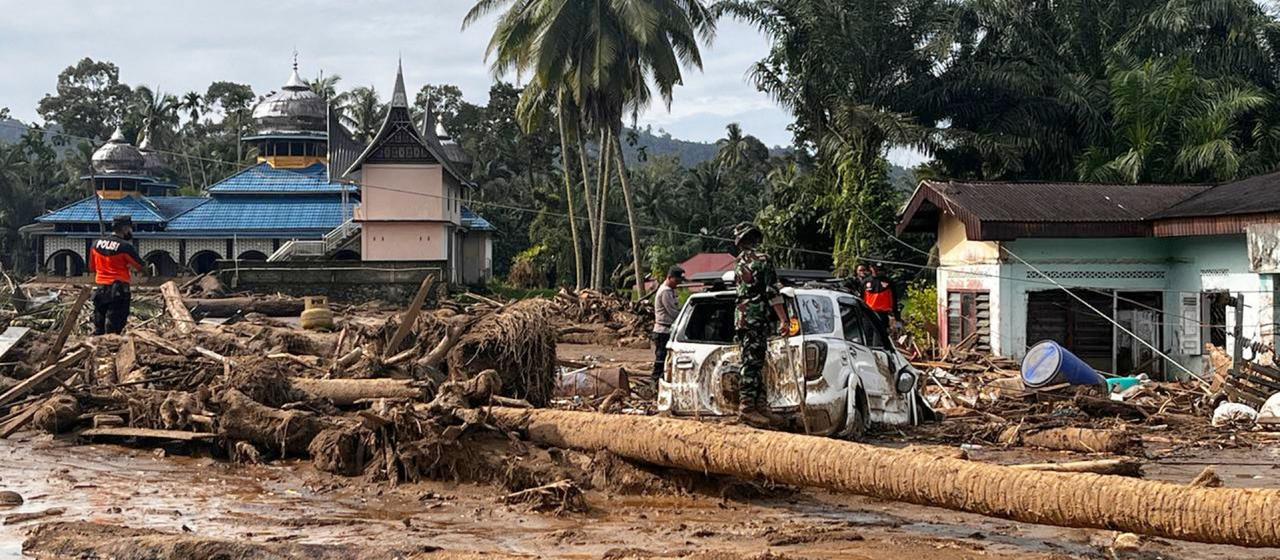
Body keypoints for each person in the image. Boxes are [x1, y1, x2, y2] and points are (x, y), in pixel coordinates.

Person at [732, 222, 789, 427]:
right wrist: (783, 318)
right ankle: (747, 407)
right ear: (755, 238)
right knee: (752, 363)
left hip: (743, 317)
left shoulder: (738, 262)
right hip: (756, 317)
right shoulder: (763, 260)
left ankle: (759, 405)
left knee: (756, 361)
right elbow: (772, 291)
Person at [89, 215, 145, 335]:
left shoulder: (96, 244)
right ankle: (112, 350)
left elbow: (92, 267)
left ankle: (98, 348)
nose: (131, 232)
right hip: (119, 291)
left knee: (99, 324)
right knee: (115, 325)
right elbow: (140, 266)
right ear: (125, 228)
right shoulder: (125, 247)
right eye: (130, 229)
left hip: (100, 289)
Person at [651, 265, 685, 382]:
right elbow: (673, 313)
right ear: (669, 277)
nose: (678, 283)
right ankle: (655, 383)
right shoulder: (665, 291)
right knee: (661, 361)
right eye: (676, 280)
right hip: (662, 331)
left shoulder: (671, 290)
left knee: (666, 360)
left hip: (667, 330)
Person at [862, 263, 901, 333]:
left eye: (878, 268)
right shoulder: (865, 282)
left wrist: (897, 320)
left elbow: (894, 302)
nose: (876, 270)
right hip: (868, 315)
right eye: (874, 268)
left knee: (879, 339)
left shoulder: (889, 283)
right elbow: (861, 300)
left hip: (883, 315)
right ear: (870, 268)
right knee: (867, 337)